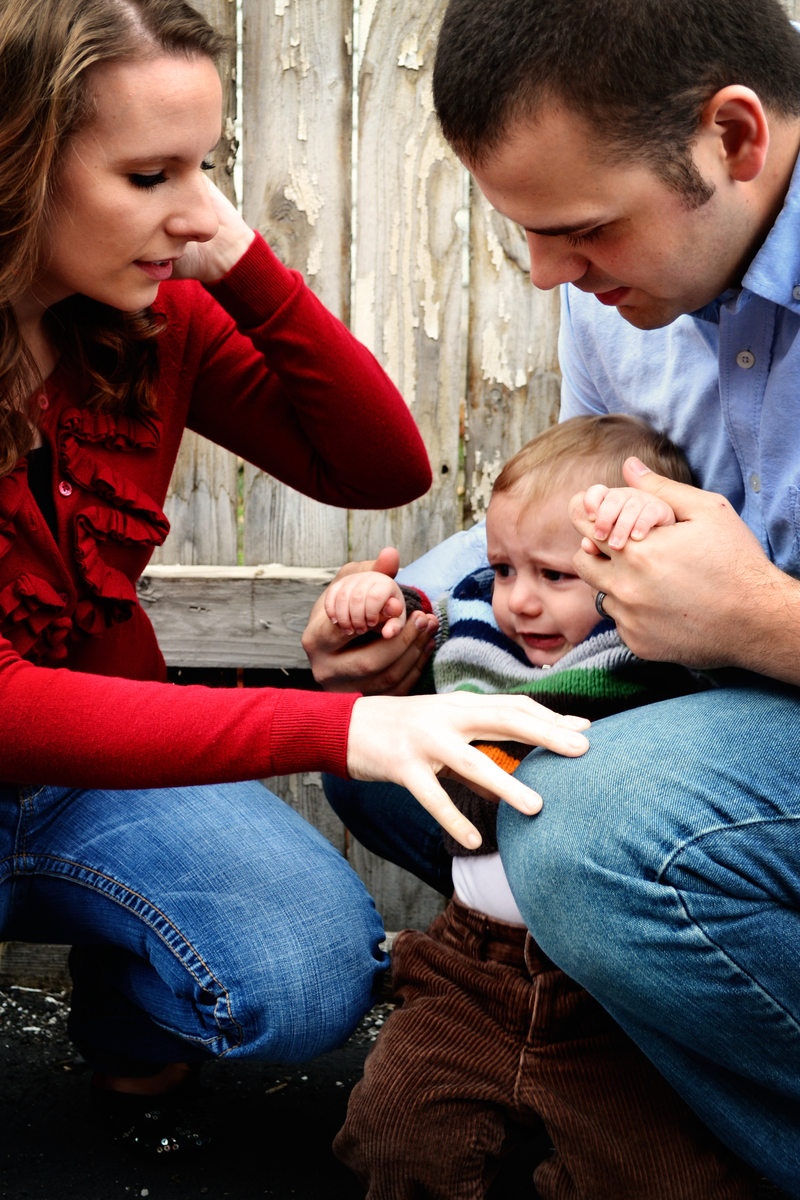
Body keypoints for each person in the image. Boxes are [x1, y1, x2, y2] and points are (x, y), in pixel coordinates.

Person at [0, 0, 596, 1155]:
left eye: (205, 167)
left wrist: (238, 260)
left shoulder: (151, 317)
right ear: (19, 165)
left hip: (99, 781)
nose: (189, 209)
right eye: (146, 173)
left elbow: (375, 464)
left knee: (309, 969)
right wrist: (343, 728)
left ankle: (125, 1016)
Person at [303, 0, 800, 1194]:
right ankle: (627, 1020)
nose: (547, 277)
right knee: (387, 727)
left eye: (580, 230)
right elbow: (588, 515)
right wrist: (410, 627)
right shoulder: (621, 286)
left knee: (591, 829)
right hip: (700, 673)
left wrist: (758, 623)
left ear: (731, 137)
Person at [327, 415, 755, 1200]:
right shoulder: (486, 641)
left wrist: (655, 534)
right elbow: (422, 609)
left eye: (555, 576)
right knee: (393, 1137)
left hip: (606, 990)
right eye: (503, 568)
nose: (520, 601)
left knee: (660, 1176)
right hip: (469, 968)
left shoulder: (652, 657)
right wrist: (376, 597)